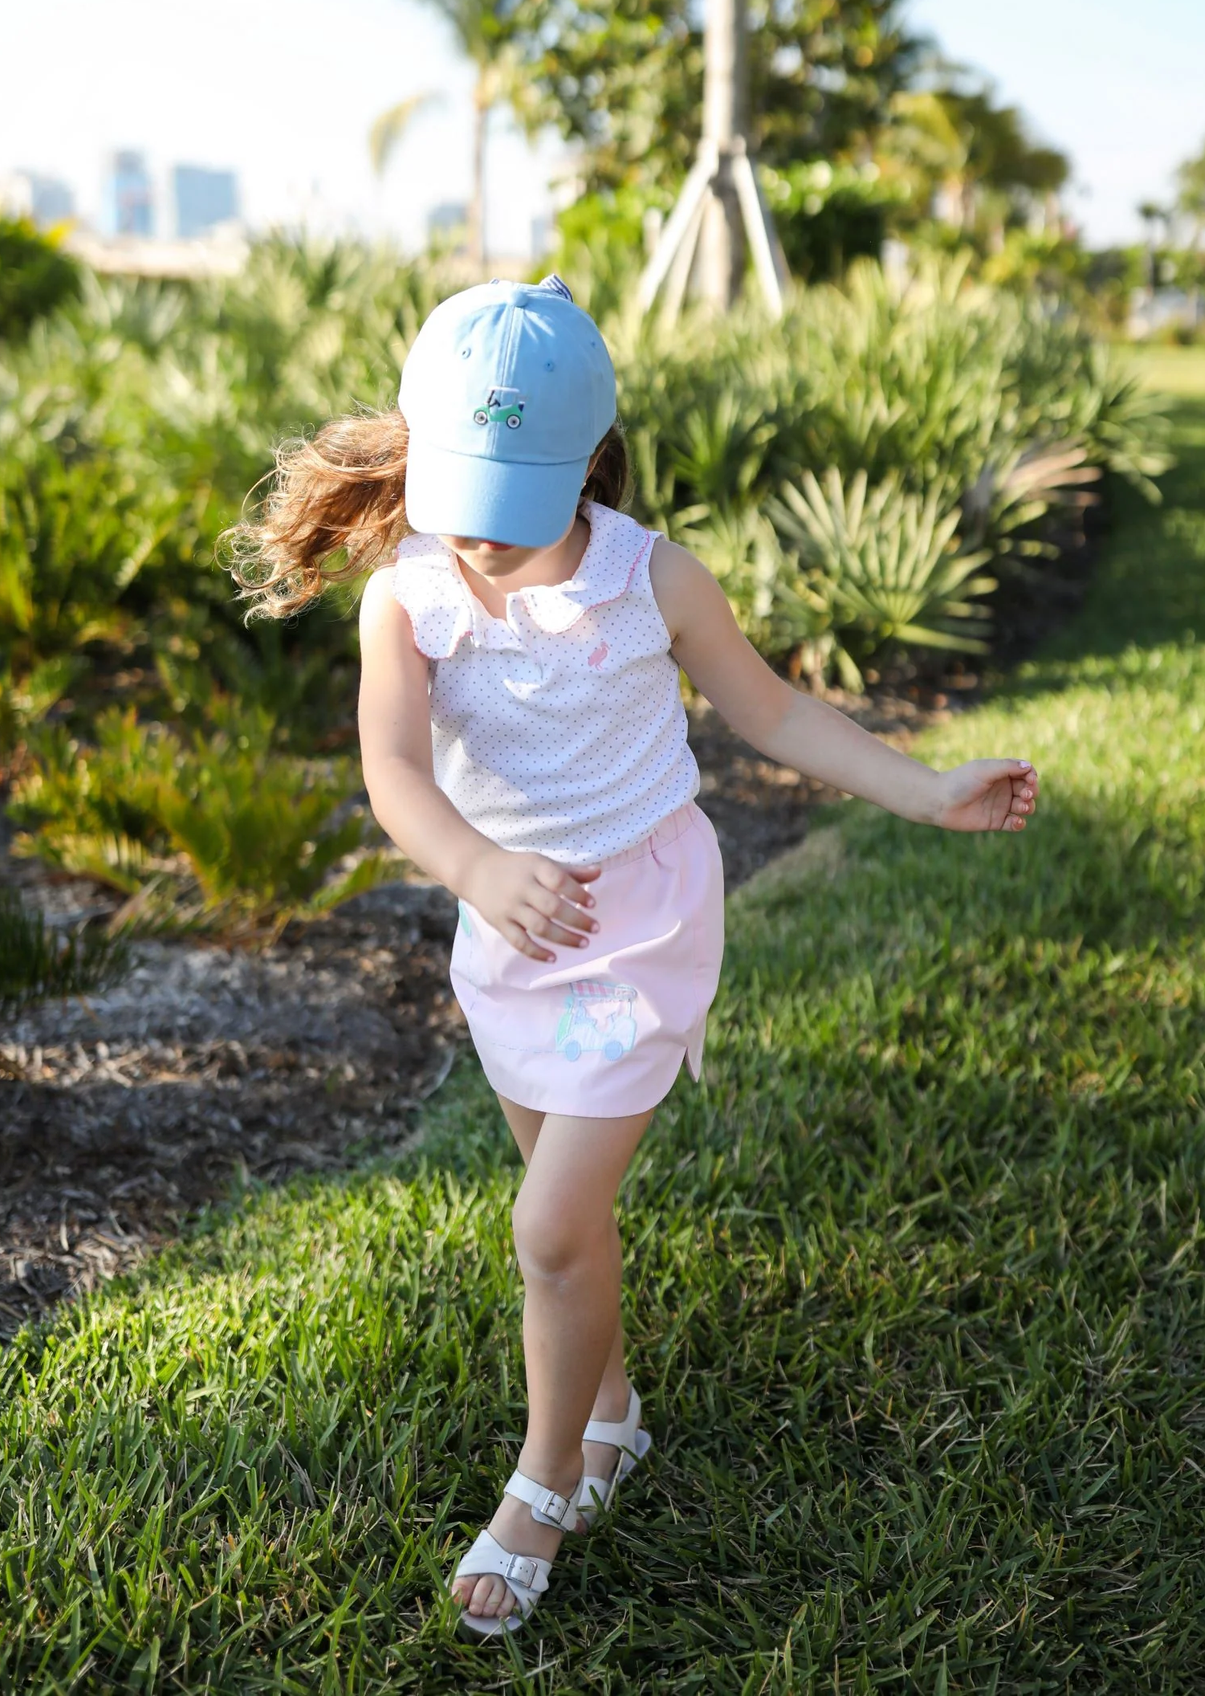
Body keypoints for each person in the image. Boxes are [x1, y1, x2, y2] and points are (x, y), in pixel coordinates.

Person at [229, 276, 1039, 1637]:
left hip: (643, 935)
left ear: (587, 460)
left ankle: (542, 1488)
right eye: (461, 487)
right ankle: (606, 1405)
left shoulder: (650, 576)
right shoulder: (409, 598)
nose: (481, 529)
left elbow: (772, 711)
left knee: (546, 1225)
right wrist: (478, 869)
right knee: (568, 1216)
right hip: (510, 934)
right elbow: (393, 775)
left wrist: (923, 787)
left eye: (516, 493)